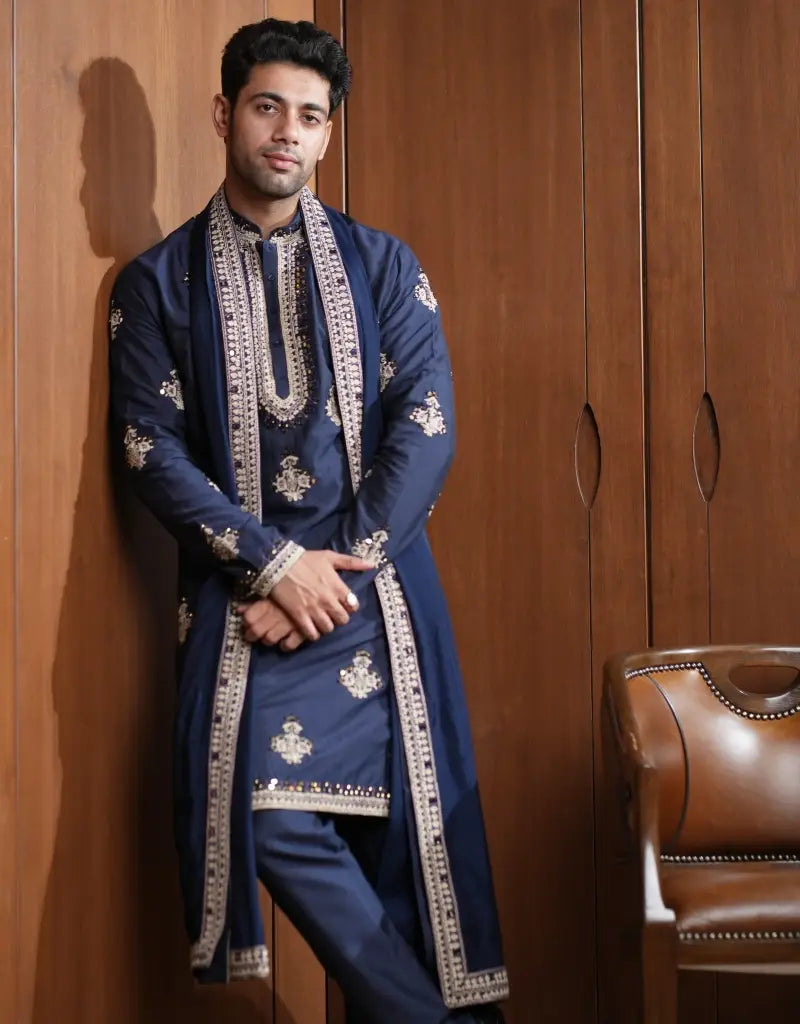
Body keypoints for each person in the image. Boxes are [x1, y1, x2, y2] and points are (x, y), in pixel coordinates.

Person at [109, 18, 508, 1024]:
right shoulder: (159, 283)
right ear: (224, 114)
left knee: (407, 861)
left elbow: (426, 428)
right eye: (266, 106)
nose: (286, 131)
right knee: (256, 814)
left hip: (376, 599)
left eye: (309, 115)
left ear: (328, 136)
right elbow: (152, 451)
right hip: (246, 607)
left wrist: (339, 572)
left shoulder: (381, 266)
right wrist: (273, 564)